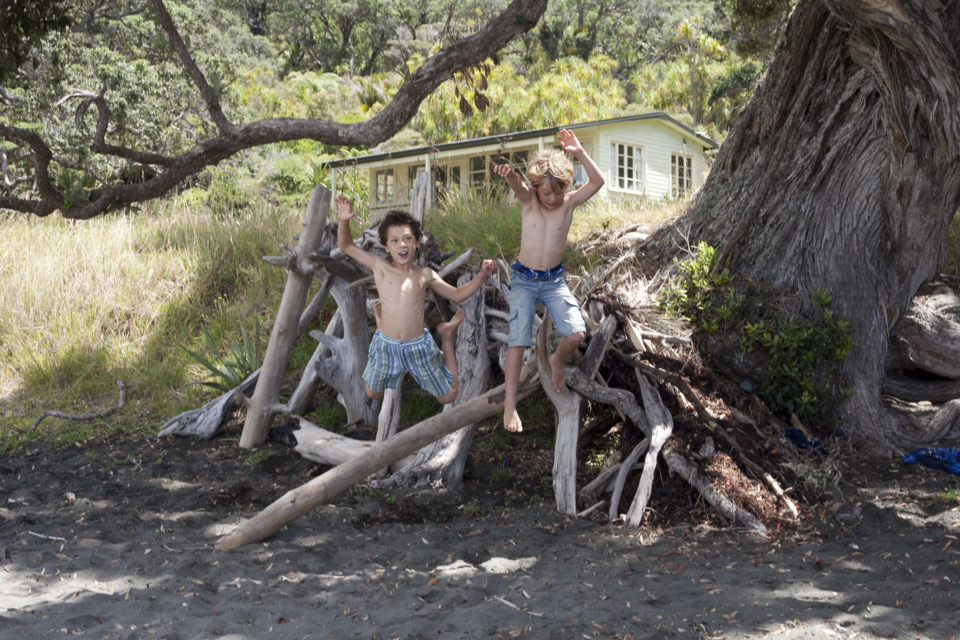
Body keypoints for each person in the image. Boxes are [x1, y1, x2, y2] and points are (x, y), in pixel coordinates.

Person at [492, 128, 604, 432]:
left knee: (577, 334)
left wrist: (579, 152)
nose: (553, 198)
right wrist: (509, 175)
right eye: (547, 192)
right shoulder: (529, 202)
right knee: (518, 342)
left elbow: (598, 182)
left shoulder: (568, 204)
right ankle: (510, 405)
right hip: (525, 280)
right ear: (536, 188)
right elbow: (517, 185)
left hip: (554, 281)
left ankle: (556, 361)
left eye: (558, 191)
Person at [336, 196, 496, 405]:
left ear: (417, 242)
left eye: (408, 239)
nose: (402, 244)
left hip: (417, 347)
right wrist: (344, 220)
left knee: (449, 396)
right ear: (386, 246)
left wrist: (483, 274)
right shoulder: (380, 267)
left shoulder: (425, 275)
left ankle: (446, 335)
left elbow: (457, 295)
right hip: (388, 346)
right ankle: (381, 325)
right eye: (394, 240)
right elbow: (346, 245)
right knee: (372, 393)